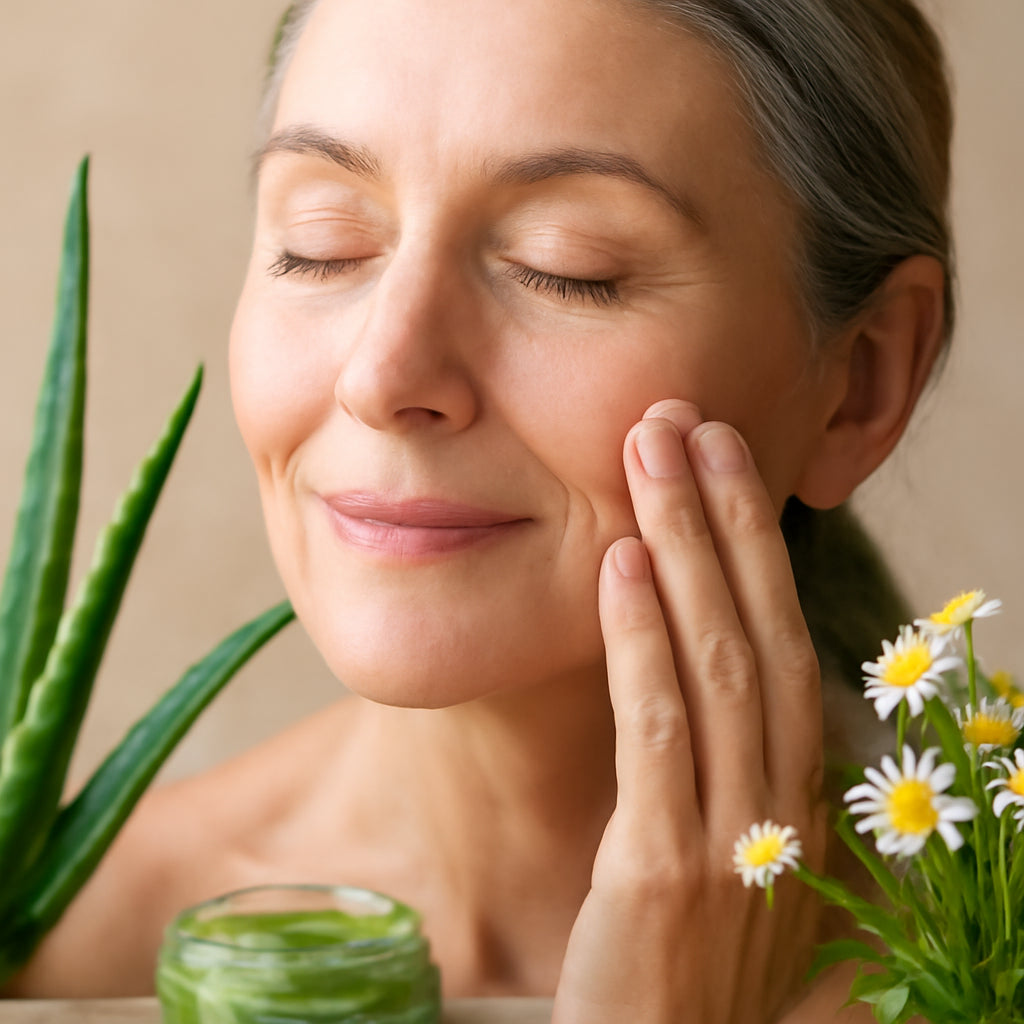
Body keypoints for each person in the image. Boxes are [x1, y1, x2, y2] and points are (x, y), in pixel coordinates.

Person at [6, 0, 953, 1019]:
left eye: (566, 265)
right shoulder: (64, 953)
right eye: (318, 243)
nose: (384, 374)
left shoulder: (978, 950)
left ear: (858, 381)